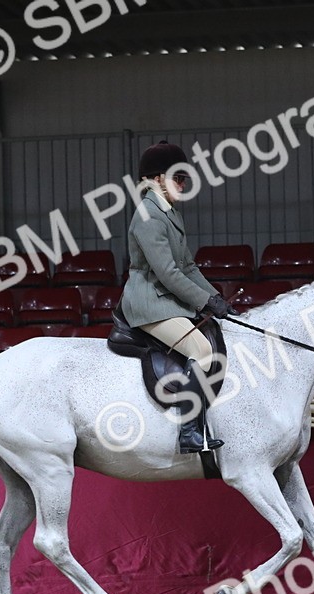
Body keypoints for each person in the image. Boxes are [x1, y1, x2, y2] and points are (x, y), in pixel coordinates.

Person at [119, 140, 234, 454]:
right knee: (202, 349)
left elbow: (188, 266)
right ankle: (189, 431)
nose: (183, 184)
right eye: (177, 177)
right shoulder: (149, 216)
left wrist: (216, 299)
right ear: (157, 179)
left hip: (166, 298)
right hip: (149, 303)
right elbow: (169, 272)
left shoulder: (168, 212)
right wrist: (204, 302)